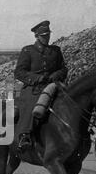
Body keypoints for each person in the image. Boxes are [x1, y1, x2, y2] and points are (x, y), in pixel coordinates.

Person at [14, 20, 68, 152]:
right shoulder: (28, 51)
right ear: (37, 36)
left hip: (54, 85)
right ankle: (25, 136)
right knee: (33, 104)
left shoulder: (55, 51)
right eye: (43, 35)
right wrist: (37, 78)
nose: (47, 37)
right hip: (34, 88)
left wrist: (55, 75)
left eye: (48, 35)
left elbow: (63, 69)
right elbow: (19, 72)